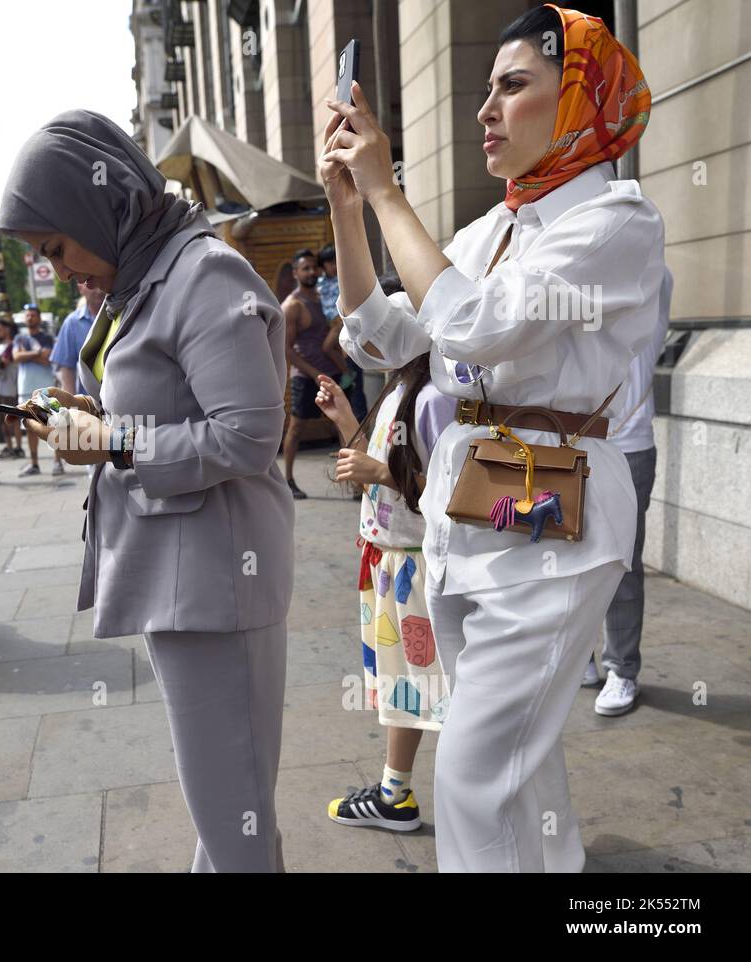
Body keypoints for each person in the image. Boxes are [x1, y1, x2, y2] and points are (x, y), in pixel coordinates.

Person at [321, 4, 662, 871]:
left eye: (514, 86)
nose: (486, 109)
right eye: (487, 88)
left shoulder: (619, 221)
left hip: (557, 511)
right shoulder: (495, 227)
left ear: (579, 98)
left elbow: (473, 325)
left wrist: (389, 192)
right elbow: (379, 334)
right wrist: (348, 208)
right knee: (518, 758)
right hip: (467, 507)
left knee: (473, 777)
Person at [0, 109, 294, 872]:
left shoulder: (201, 270)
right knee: (230, 809)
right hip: (189, 579)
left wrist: (115, 441)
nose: (59, 268)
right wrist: (96, 421)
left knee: (235, 821)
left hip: (214, 586)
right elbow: (178, 410)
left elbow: (247, 435)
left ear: (97, 204)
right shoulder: (152, 273)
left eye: (55, 245)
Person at [315, 347, 454, 831]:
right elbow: (380, 462)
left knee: (435, 686)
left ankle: (451, 797)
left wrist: (380, 473)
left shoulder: (435, 396)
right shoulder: (400, 387)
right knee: (405, 688)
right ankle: (396, 792)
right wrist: (345, 418)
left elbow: (451, 489)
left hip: (415, 568)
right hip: (390, 563)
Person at [585, 269, 672, 714]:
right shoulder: (574, 284)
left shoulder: (648, 279)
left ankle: (622, 668)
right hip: (572, 444)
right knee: (567, 556)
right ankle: (582, 653)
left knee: (622, 563)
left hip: (628, 445)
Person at [282, 248, 346, 499]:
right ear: (296, 272)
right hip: (305, 377)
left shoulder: (324, 297)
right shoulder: (292, 305)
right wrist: (314, 373)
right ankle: (287, 479)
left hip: (331, 373)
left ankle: (352, 481)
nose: (311, 272)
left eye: (313, 267)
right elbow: (287, 349)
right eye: (304, 268)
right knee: (297, 428)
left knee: (343, 424)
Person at [318, 244, 369, 422]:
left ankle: (348, 372)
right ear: (323, 266)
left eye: (335, 262)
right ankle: (347, 372)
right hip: (331, 322)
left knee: (329, 347)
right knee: (331, 348)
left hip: (342, 319)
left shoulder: (344, 278)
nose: (333, 266)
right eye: (329, 263)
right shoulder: (321, 282)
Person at [13, 303, 64, 476]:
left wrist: (27, 355)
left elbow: (48, 359)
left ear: (39, 318)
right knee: (30, 428)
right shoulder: (19, 338)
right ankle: (34, 464)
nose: (30, 318)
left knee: (53, 425)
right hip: (25, 389)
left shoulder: (47, 338)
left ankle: (58, 461)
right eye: (27, 315)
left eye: (33, 315)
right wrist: (36, 354)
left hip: (45, 390)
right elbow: (16, 357)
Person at [51, 282, 105, 397]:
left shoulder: (122, 314)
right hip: (90, 403)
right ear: (80, 288)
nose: (99, 291)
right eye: (92, 284)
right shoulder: (72, 323)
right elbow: (67, 369)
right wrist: (72, 407)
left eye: (100, 281)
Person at [0, 317, 24, 459]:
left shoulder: (12, 346)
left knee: (13, 419)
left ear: (7, 329)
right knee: (2, 422)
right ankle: (9, 446)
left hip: (9, 389)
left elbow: (3, 364)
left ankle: (18, 448)